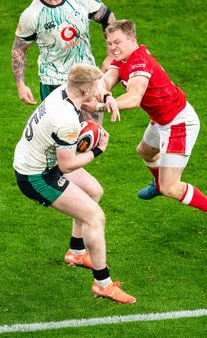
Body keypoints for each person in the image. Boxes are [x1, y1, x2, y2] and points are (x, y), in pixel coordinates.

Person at [83, 19, 207, 249]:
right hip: (161, 120)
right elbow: (107, 81)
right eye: (109, 43)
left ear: (131, 39)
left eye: (117, 42)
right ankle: (156, 183)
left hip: (178, 124)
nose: (113, 47)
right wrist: (96, 91)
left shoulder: (140, 63)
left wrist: (98, 106)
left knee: (171, 187)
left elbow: (134, 99)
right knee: (145, 150)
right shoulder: (122, 58)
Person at [13, 63, 135, 304]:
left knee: (93, 191)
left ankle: (77, 252)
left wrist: (106, 98)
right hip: (36, 177)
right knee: (95, 217)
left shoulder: (63, 91)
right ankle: (103, 284)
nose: (101, 87)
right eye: (97, 86)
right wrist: (98, 150)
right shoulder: (66, 121)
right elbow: (67, 165)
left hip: (38, 161)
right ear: (85, 90)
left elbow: (96, 90)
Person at [11, 0, 116, 124]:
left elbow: (109, 19)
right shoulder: (31, 15)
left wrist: (111, 56)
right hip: (54, 83)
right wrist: (21, 86)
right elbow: (18, 50)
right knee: (61, 137)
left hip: (87, 78)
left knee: (92, 133)